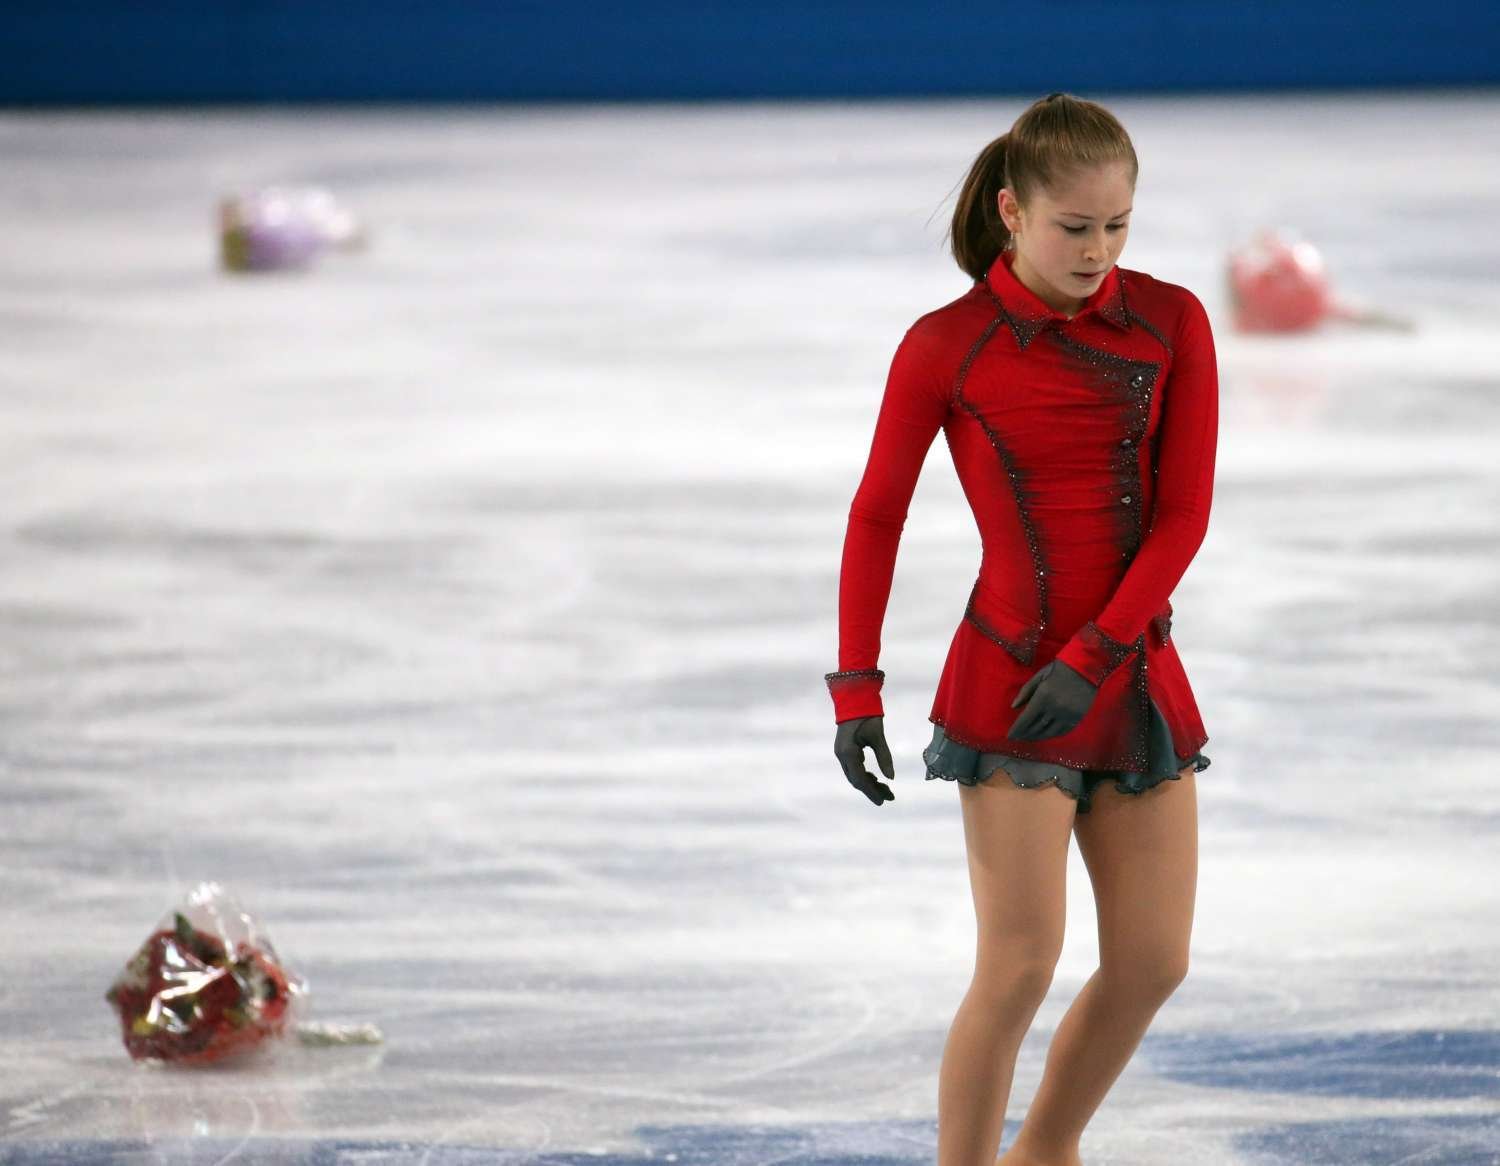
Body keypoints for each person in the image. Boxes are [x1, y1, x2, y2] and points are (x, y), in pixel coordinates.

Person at [823, 92, 1219, 1165]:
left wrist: (1099, 653)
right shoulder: (945, 345)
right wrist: (856, 687)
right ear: (1012, 211)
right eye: (1074, 226)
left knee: (1153, 959)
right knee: (1018, 965)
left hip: (1130, 672)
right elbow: (877, 514)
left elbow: (1183, 515)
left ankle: (1043, 1149)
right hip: (1011, 673)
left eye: (1118, 225)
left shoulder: (1172, 321)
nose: (1099, 251)